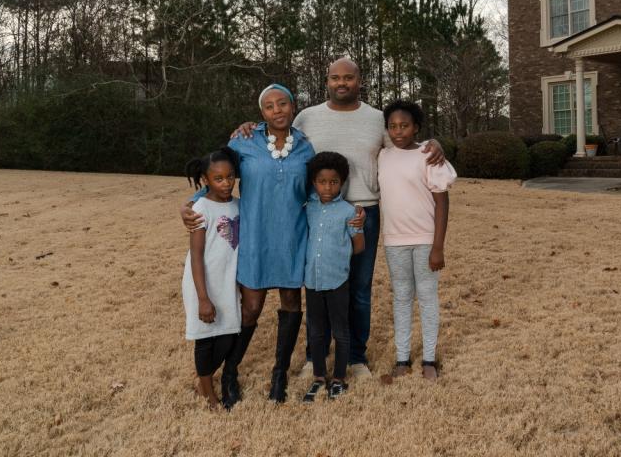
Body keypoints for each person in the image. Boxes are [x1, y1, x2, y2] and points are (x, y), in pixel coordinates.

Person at [235, 58, 445, 379]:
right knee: (317, 287)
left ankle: (356, 358)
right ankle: (313, 357)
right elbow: (277, 134)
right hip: (317, 213)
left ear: (359, 81)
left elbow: (405, 148)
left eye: (348, 78)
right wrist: (248, 126)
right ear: (327, 81)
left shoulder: (377, 119)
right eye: (335, 78)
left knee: (358, 288)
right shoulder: (307, 117)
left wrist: (434, 144)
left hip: (364, 211)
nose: (341, 83)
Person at [182, 84, 315, 407]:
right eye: (269, 106)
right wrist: (193, 201)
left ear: (293, 106)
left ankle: (279, 373)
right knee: (252, 307)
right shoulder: (243, 141)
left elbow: (314, 189)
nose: (277, 110)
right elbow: (216, 173)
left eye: (282, 103)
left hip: (292, 236)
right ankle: (230, 371)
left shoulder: (305, 147)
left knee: (291, 303)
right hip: (255, 236)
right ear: (261, 113)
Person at [378, 100, 456, 380]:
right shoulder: (383, 156)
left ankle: (429, 360)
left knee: (426, 297)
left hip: (425, 241)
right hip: (394, 241)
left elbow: (442, 203)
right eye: (393, 126)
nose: (398, 131)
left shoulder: (429, 155)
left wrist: (438, 246)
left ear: (416, 128)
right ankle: (401, 358)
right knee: (401, 298)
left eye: (405, 126)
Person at [301, 152, 365, 401]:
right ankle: (319, 375)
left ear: (342, 182)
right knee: (316, 330)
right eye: (322, 181)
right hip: (313, 280)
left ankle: (338, 377)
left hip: (338, 279)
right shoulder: (308, 208)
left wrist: (357, 228)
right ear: (314, 182)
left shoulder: (349, 211)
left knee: (341, 330)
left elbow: (359, 247)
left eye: (334, 181)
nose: (327, 187)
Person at [181, 147, 241, 407]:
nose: (226, 183)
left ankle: (203, 379)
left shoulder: (238, 205)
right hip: (203, 283)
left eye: (230, 177)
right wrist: (203, 298)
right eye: (218, 178)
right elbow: (196, 256)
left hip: (227, 282)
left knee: (228, 335)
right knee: (205, 339)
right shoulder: (201, 208)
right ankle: (207, 391)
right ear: (205, 180)